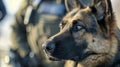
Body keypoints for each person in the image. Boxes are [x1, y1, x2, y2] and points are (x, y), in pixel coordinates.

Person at [9, 0, 66, 67]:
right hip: (33, 62)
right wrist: (26, 54)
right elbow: (16, 29)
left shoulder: (70, 3)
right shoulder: (30, 2)